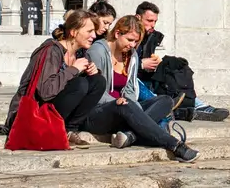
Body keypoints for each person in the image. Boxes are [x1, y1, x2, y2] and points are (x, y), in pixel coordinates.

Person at [82, 15, 199, 162]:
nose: (132, 45)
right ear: (117, 34)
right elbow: (95, 90)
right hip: (98, 111)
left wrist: (134, 108)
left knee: (165, 101)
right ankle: (176, 145)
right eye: (129, 40)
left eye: (136, 41)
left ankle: (130, 135)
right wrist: (118, 102)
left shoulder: (132, 56)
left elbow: (130, 89)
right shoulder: (98, 51)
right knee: (126, 106)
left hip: (124, 108)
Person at [1, 9, 104, 147]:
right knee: (80, 84)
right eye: (89, 31)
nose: (94, 35)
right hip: (34, 112)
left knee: (98, 81)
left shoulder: (81, 53)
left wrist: (93, 72)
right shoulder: (51, 50)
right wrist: (73, 70)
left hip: (54, 110)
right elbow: (45, 92)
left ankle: (69, 129)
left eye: (94, 31)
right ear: (73, 32)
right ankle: (61, 129)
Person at [135, 1, 230, 122]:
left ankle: (196, 104)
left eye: (155, 21)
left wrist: (153, 64)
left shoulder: (151, 35)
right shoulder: (128, 33)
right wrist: (141, 64)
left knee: (173, 66)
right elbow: (118, 64)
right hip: (134, 81)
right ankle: (173, 108)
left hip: (147, 77)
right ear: (138, 17)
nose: (153, 25)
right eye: (149, 21)